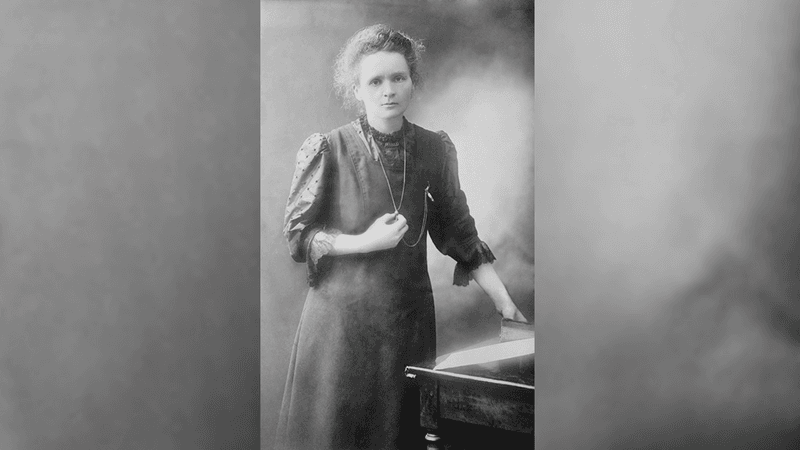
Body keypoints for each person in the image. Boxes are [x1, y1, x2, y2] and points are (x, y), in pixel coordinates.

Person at [276, 24, 529, 450]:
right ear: (357, 89)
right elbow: (299, 238)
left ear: (412, 81)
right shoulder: (328, 149)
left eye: (398, 78)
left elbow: (459, 232)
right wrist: (364, 242)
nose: (388, 90)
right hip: (339, 327)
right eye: (375, 81)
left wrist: (504, 302)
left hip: (404, 325)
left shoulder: (434, 150)